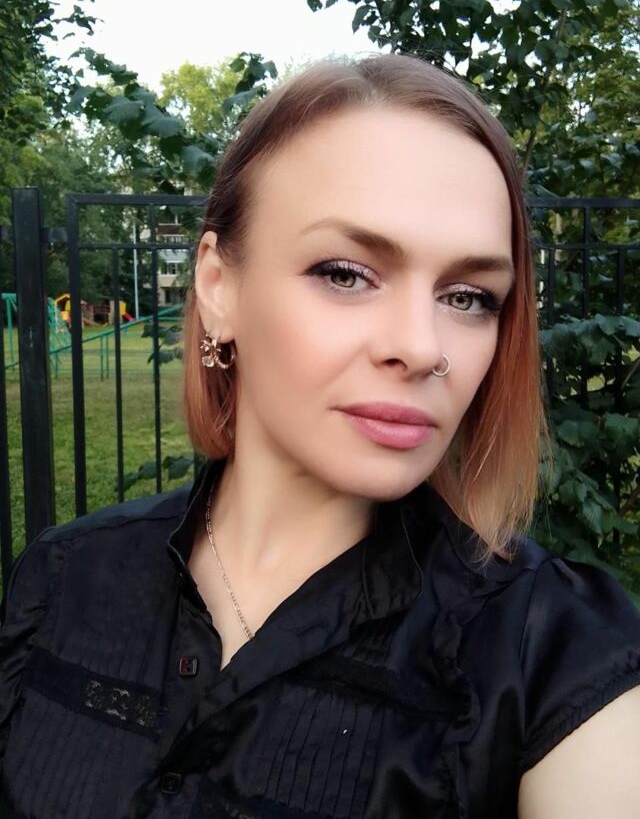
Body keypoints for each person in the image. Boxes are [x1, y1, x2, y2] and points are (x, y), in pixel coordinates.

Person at [1, 54, 639, 819]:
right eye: (345, 273)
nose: (421, 346)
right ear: (218, 287)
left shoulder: (551, 653)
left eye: (469, 296)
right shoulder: (62, 576)